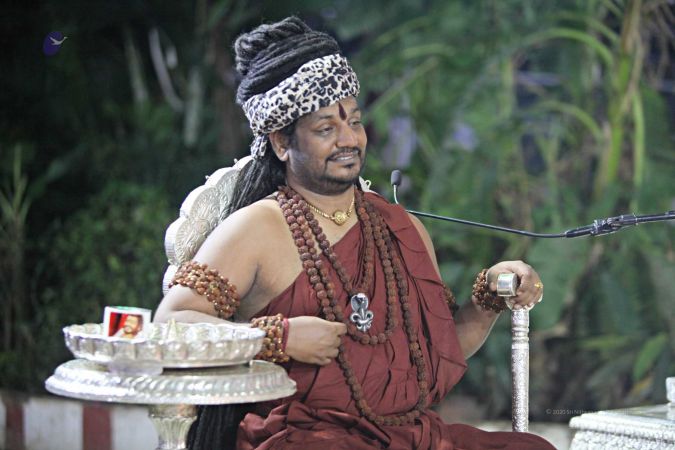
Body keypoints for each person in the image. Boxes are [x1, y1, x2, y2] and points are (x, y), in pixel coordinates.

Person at [154, 16, 554, 450]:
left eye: (355, 122)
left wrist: (490, 300)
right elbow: (172, 323)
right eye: (326, 128)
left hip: (407, 435)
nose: (349, 139)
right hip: (304, 439)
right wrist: (278, 337)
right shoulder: (257, 227)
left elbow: (433, 354)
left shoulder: (398, 227)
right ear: (281, 143)